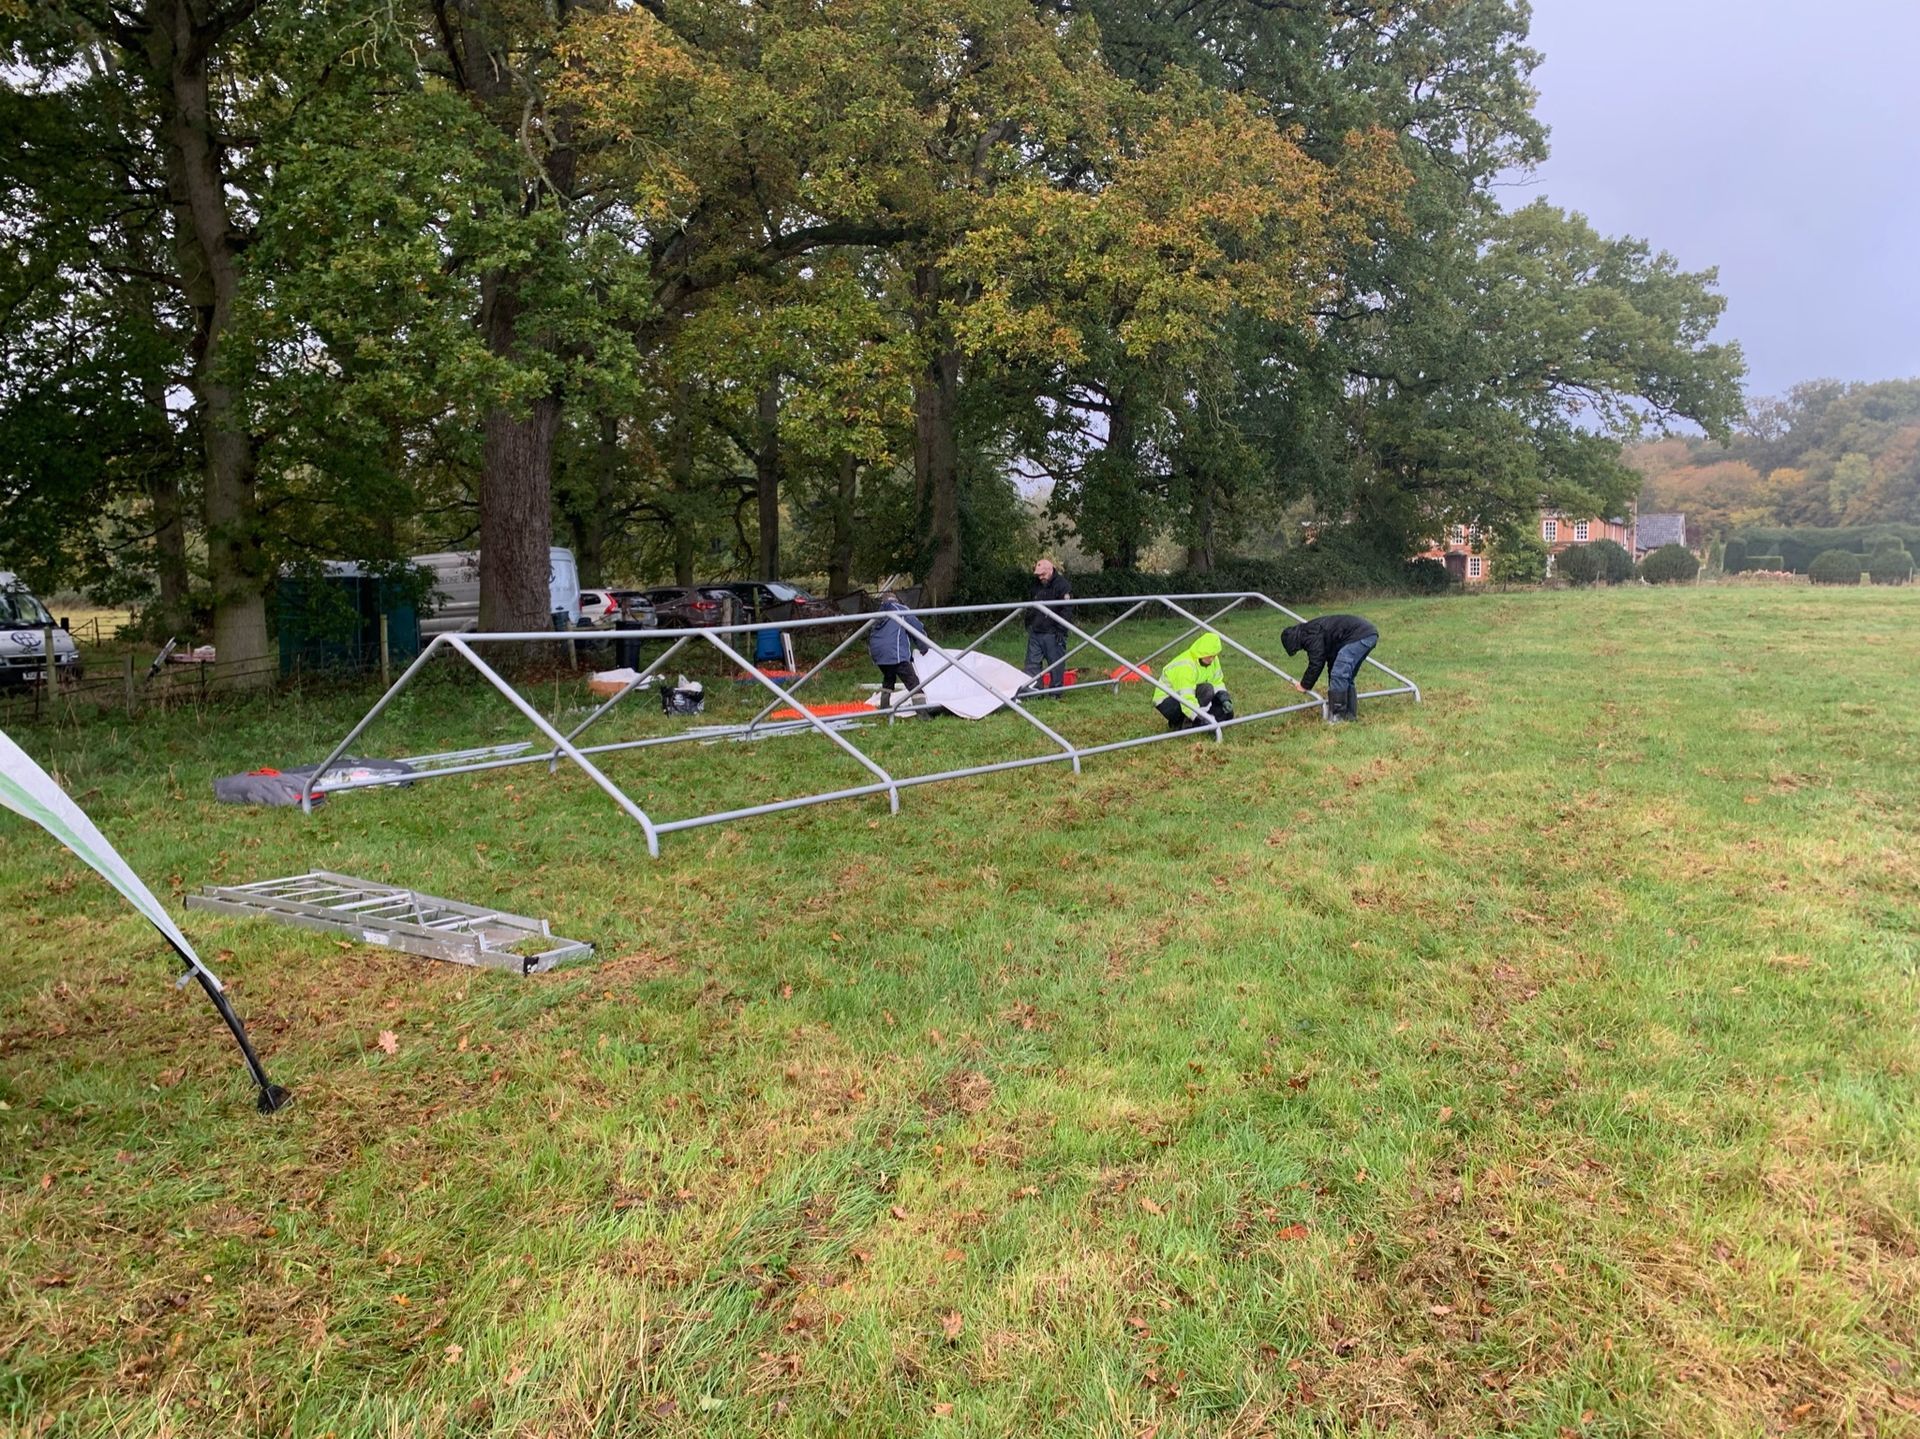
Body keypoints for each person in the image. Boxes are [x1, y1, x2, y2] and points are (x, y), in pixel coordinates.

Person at [1281, 613, 1379, 722]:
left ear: (1293, 641)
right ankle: (1349, 715)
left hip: (1360, 635)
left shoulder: (1309, 635)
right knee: (1345, 676)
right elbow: (1332, 660)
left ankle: (1338, 717)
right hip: (1367, 634)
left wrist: (1305, 685)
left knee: (1339, 674)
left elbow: (1317, 662)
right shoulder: (1313, 631)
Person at [1153, 632, 1233, 730]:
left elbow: (1217, 682)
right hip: (1168, 701)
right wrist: (1197, 718)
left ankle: (1188, 722)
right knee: (1207, 690)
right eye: (1210, 656)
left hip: (1190, 696)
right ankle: (1184, 722)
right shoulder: (1185, 666)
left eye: (1215, 655)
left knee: (1227, 714)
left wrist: (1224, 699)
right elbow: (1186, 697)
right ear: (1202, 652)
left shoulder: (1213, 661)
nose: (1212, 659)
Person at [868, 590, 930, 707]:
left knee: (889, 678)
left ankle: (884, 708)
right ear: (896, 599)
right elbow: (915, 627)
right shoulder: (901, 610)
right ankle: (923, 712)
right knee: (913, 682)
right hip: (895, 652)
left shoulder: (878, 613)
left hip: (878, 654)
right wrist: (923, 645)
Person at [1022, 557, 1072, 696]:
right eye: (1038, 575)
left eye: (1043, 574)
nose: (1040, 578)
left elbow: (1067, 610)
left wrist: (1061, 630)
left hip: (1054, 632)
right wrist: (1029, 623)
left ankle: (1055, 693)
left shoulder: (1063, 585)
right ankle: (1033, 693)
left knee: (1055, 664)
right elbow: (1031, 603)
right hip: (1036, 630)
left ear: (1050, 570)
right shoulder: (1036, 584)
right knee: (1032, 664)